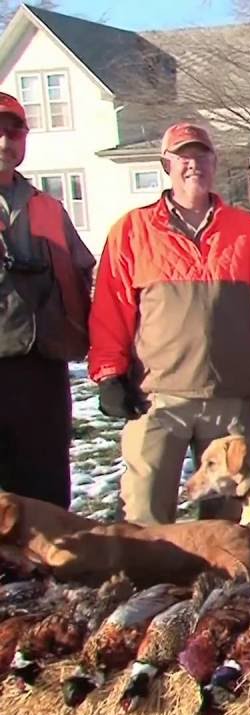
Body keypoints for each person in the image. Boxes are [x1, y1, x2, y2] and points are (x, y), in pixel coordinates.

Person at [89, 122, 250, 525]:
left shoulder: (246, 231)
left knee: (229, 521)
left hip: (231, 398)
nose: (193, 165)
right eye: (184, 157)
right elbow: (110, 309)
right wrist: (109, 375)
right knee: (146, 510)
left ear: (215, 163)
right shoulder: (133, 231)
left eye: (202, 156)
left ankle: (225, 588)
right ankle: (148, 585)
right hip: (157, 396)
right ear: (165, 164)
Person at [0, 92, 94, 509]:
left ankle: (43, 570)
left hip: (43, 363)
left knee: (46, 483)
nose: (5, 141)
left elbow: (81, 273)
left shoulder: (48, 207)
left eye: (13, 131)